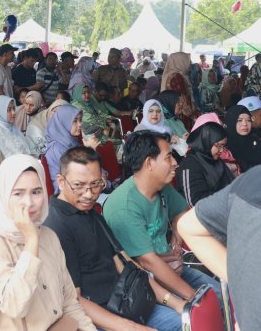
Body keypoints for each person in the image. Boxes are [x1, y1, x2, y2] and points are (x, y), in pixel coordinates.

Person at [45, 146, 185, 331]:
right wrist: (132, 327)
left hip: (130, 302)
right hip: (101, 320)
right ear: (61, 182)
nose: (89, 194)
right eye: (79, 185)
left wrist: (173, 302)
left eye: (96, 184)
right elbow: (74, 300)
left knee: (187, 320)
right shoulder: (56, 225)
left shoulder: (90, 212)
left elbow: (127, 264)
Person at [0, 154, 96, 331]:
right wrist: (31, 240)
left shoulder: (48, 236)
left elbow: (70, 303)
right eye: (18, 193)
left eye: (36, 192)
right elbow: (14, 305)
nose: (29, 203)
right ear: (4, 195)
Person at [103, 131, 221, 303]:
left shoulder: (161, 186)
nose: (175, 163)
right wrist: (194, 298)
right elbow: (147, 262)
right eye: (168, 158)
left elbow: (182, 211)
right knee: (205, 306)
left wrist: (175, 240)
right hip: (142, 283)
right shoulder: (124, 206)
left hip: (170, 266)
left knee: (220, 296)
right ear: (149, 163)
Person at [178, 166, 261, 331]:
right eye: (218, 146)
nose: (174, 163)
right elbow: (190, 205)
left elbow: (182, 220)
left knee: (216, 292)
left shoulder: (249, 182)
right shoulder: (190, 166)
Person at [176, 122, 234, 207]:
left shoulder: (213, 159)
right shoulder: (189, 165)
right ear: (206, 141)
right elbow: (194, 202)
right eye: (218, 146)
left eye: (223, 146)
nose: (221, 150)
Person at [44, 104, 92, 193]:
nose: (80, 124)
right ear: (63, 122)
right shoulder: (57, 149)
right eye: (75, 121)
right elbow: (78, 175)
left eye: (80, 120)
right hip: (67, 196)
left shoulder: (73, 142)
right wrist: (90, 152)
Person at [224, 105, 261, 172]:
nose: (245, 124)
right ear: (231, 121)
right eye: (239, 120)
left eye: (248, 120)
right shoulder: (224, 148)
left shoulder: (254, 140)